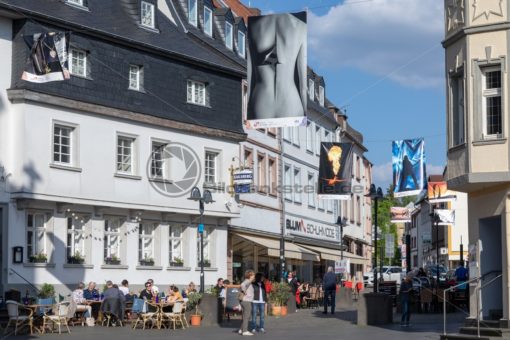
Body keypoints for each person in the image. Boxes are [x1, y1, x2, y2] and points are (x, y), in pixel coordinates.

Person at [239, 270, 255, 336]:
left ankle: (241, 329)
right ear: (250, 275)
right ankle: (245, 331)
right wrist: (244, 291)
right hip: (246, 301)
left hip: (244, 300)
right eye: (253, 275)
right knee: (247, 316)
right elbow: (242, 285)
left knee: (245, 316)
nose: (254, 276)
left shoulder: (248, 281)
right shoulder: (248, 281)